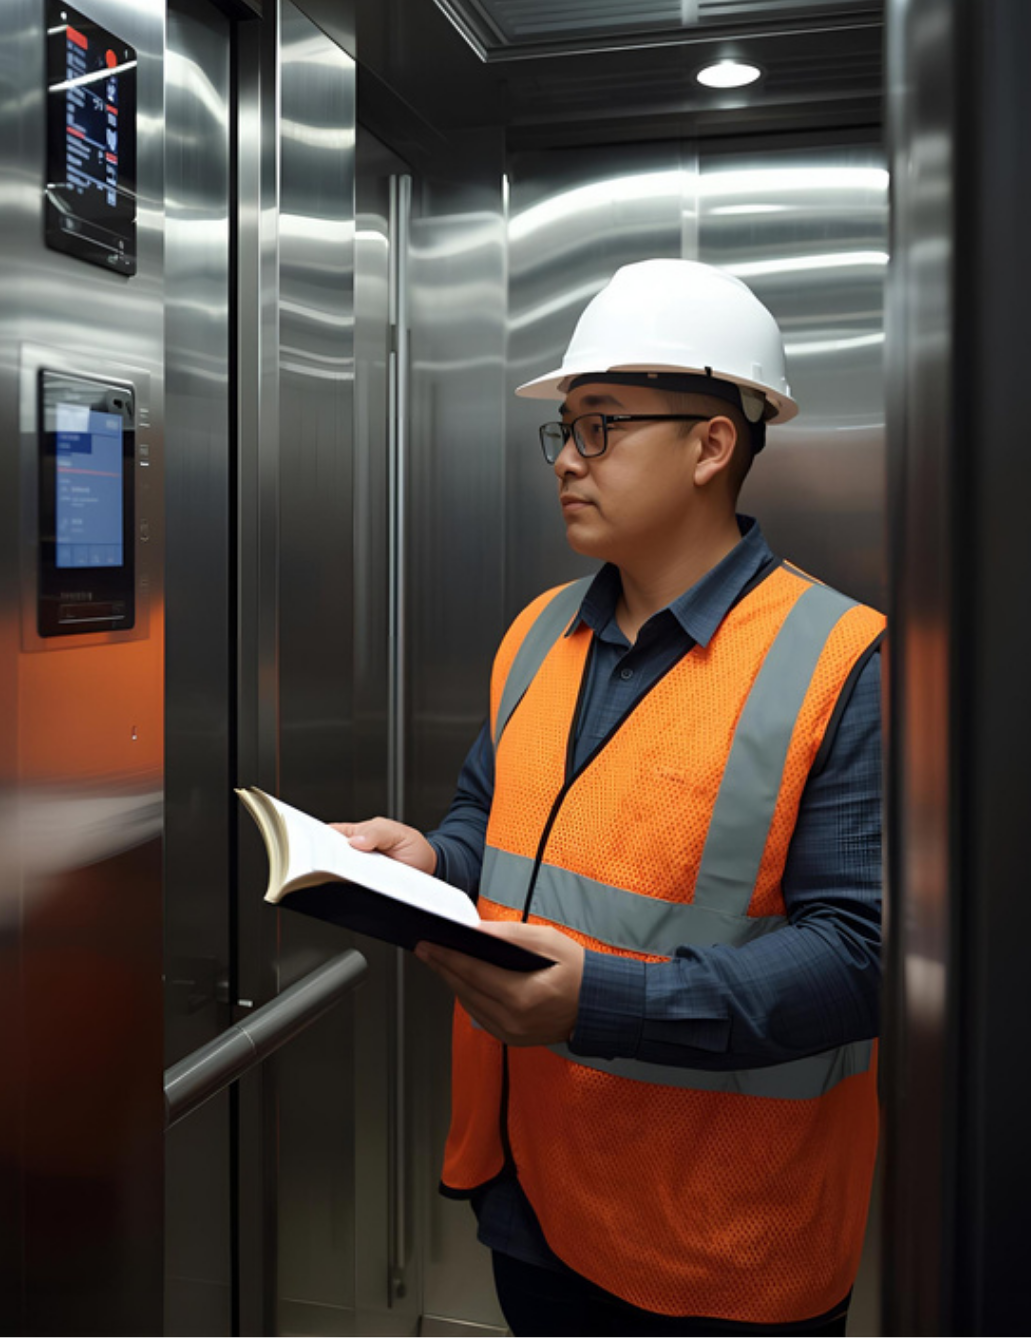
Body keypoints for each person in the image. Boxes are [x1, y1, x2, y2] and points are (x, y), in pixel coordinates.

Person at [333, 259, 884, 1338]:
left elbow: (860, 957)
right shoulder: (539, 632)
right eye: (565, 429)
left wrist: (604, 1003)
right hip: (533, 1198)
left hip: (720, 1243)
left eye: (600, 427)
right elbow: (490, 824)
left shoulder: (841, 660)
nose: (565, 460)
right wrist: (433, 862)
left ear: (710, 446)